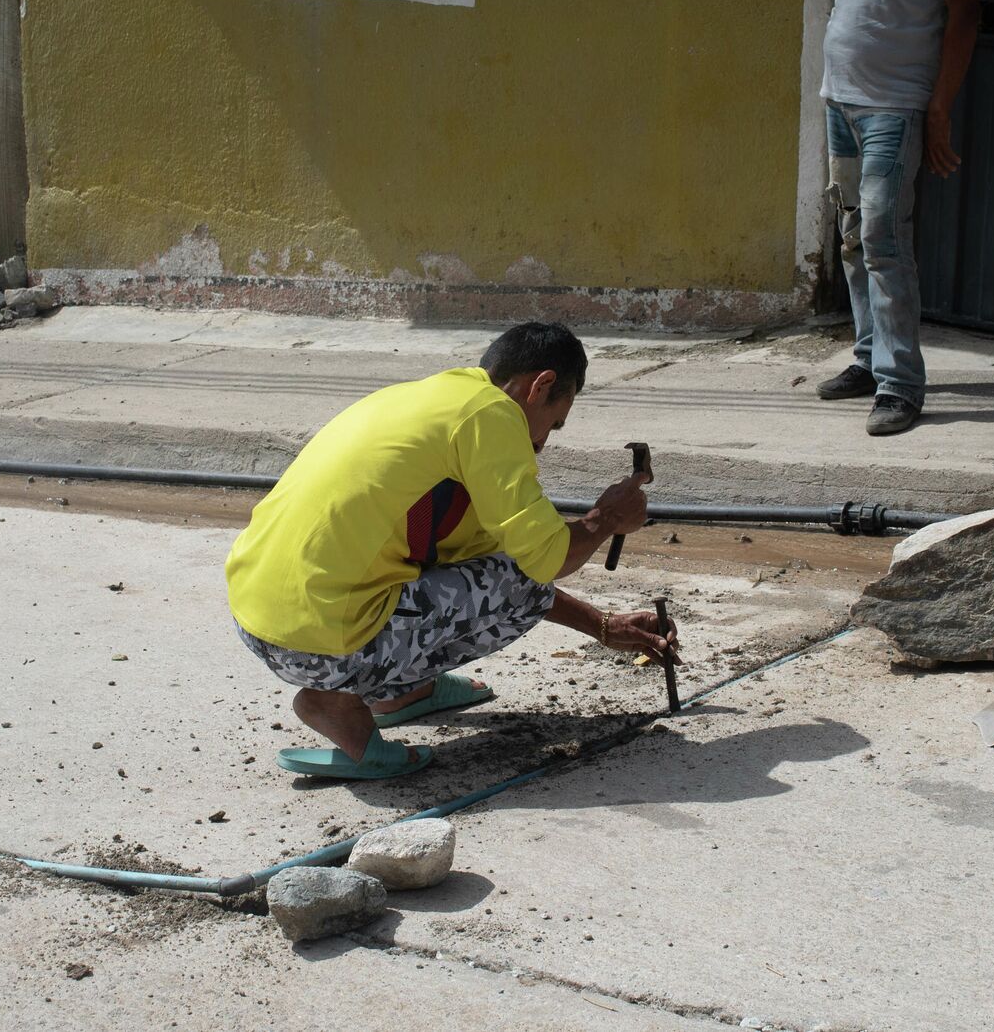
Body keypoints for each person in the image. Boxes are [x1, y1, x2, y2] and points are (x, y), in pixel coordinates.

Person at [224, 321, 677, 779]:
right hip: (321, 645)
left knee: (495, 572)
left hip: (258, 622)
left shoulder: (427, 400)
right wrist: (605, 520)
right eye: (554, 422)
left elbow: (491, 570)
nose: (541, 442)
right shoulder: (494, 415)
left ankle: (402, 693)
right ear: (540, 386)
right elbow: (542, 563)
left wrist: (602, 625)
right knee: (525, 576)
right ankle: (336, 707)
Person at [810, 0, 985, 436]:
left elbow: (965, 11)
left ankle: (902, 385)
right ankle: (868, 358)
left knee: (884, 237)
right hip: (842, 101)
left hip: (894, 106)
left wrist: (938, 107)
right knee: (854, 237)